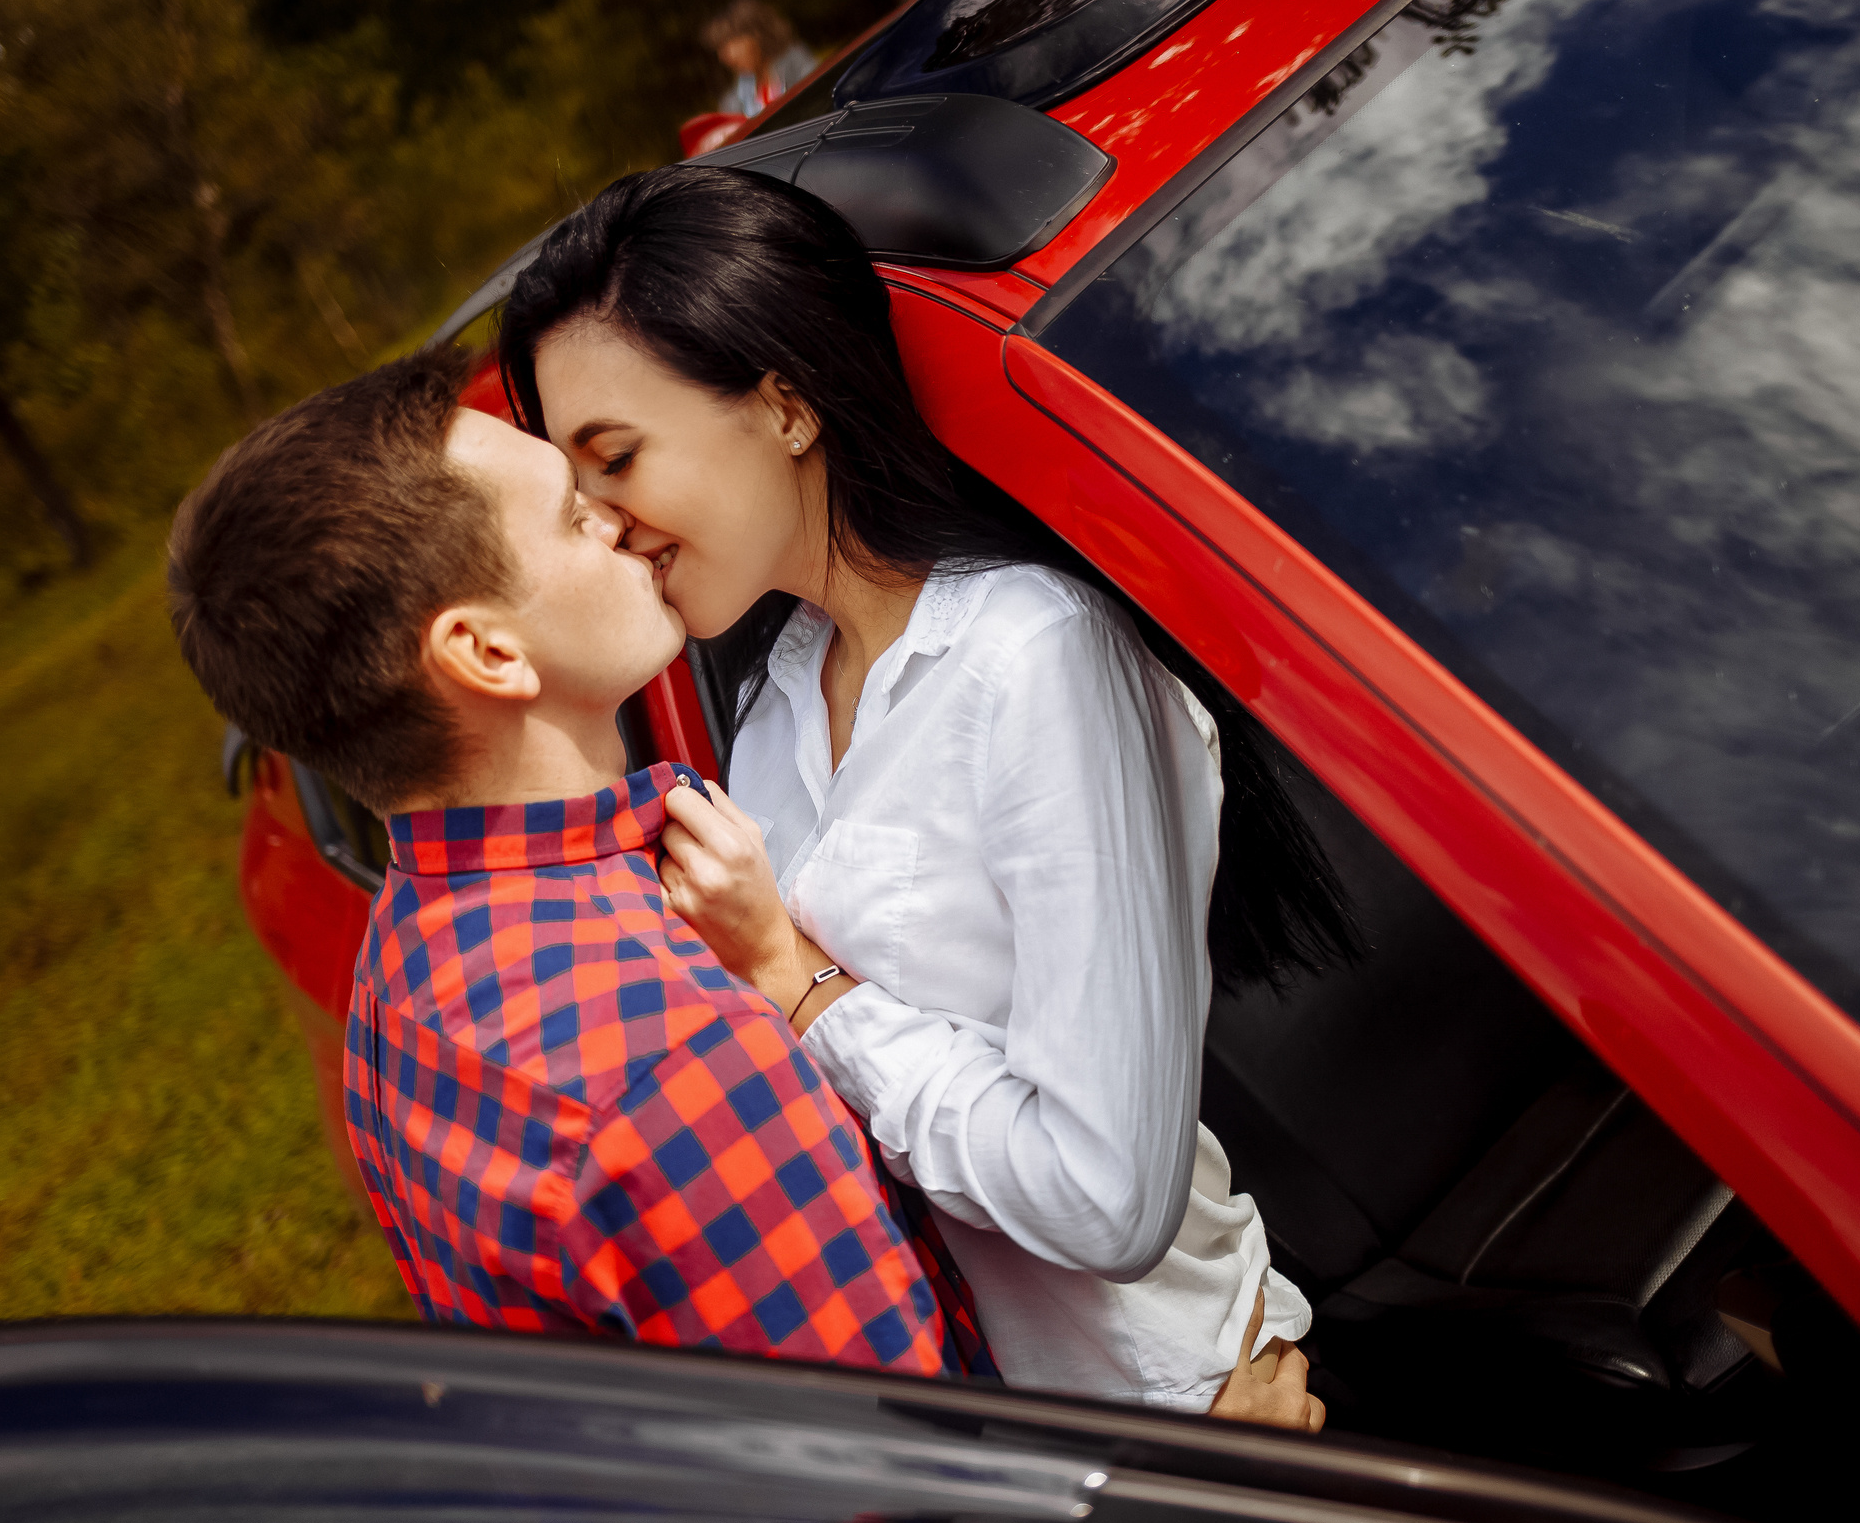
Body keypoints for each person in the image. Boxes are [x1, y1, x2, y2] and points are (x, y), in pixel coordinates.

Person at [501, 166, 1354, 1430]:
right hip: (996, 1445)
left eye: (615, 458)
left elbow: (1106, 1199)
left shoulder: (1034, 657)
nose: (609, 525)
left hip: (1176, 1412)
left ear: (785, 404)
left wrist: (803, 987)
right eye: (578, 494)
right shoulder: (783, 689)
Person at [165, 348, 994, 1382]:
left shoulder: (398, 974)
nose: (616, 517)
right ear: (489, 655)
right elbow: (911, 1522)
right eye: (568, 514)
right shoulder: (676, 1062)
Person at [702, 0, 816, 120]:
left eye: (732, 43)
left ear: (757, 35)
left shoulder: (797, 64)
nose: (726, 57)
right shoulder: (732, 104)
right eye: (720, 49)